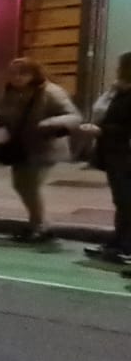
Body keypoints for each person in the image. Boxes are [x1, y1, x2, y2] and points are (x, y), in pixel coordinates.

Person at [0, 57, 80, 242]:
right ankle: (38, 224)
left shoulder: (50, 92)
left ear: (33, 74)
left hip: (44, 146)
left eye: (22, 73)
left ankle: (40, 225)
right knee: (20, 185)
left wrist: (50, 123)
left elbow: (72, 116)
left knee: (30, 186)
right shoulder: (11, 92)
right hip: (20, 146)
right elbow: (3, 114)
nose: (16, 77)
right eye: (13, 73)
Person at [79, 52, 131, 264]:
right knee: (122, 201)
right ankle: (118, 242)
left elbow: (125, 127)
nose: (117, 69)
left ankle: (126, 247)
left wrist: (101, 131)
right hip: (115, 154)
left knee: (127, 202)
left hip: (125, 154)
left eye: (121, 66)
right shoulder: (120, 91)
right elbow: (101, 111)